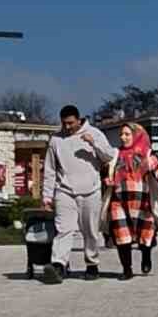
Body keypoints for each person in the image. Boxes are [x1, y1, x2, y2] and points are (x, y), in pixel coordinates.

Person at [40, 105, 116, 284]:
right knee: (64, 229)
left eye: (71, 123)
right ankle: (58, 265)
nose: (67, 127)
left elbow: (109, 156)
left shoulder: (95, 133)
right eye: (64, 123)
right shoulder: (56, 140)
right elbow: (50, 170)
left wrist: (93, 143)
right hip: (64, 190)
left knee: (90, 230)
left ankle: (92, 264)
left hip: (91, 191)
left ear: (79, 119)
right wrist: (47, 196)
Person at [101, 123, 158, 280]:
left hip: (141, 201)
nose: (123, 137)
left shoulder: (146, 153)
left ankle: (146, 256)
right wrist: (106, 179)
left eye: (127, 134)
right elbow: (106, 170)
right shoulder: (116, 154)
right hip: (119, 201)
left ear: (136, 135)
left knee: (145, 233)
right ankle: (126, 269)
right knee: (122, 235)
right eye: (122, 134)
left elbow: (157, 166)